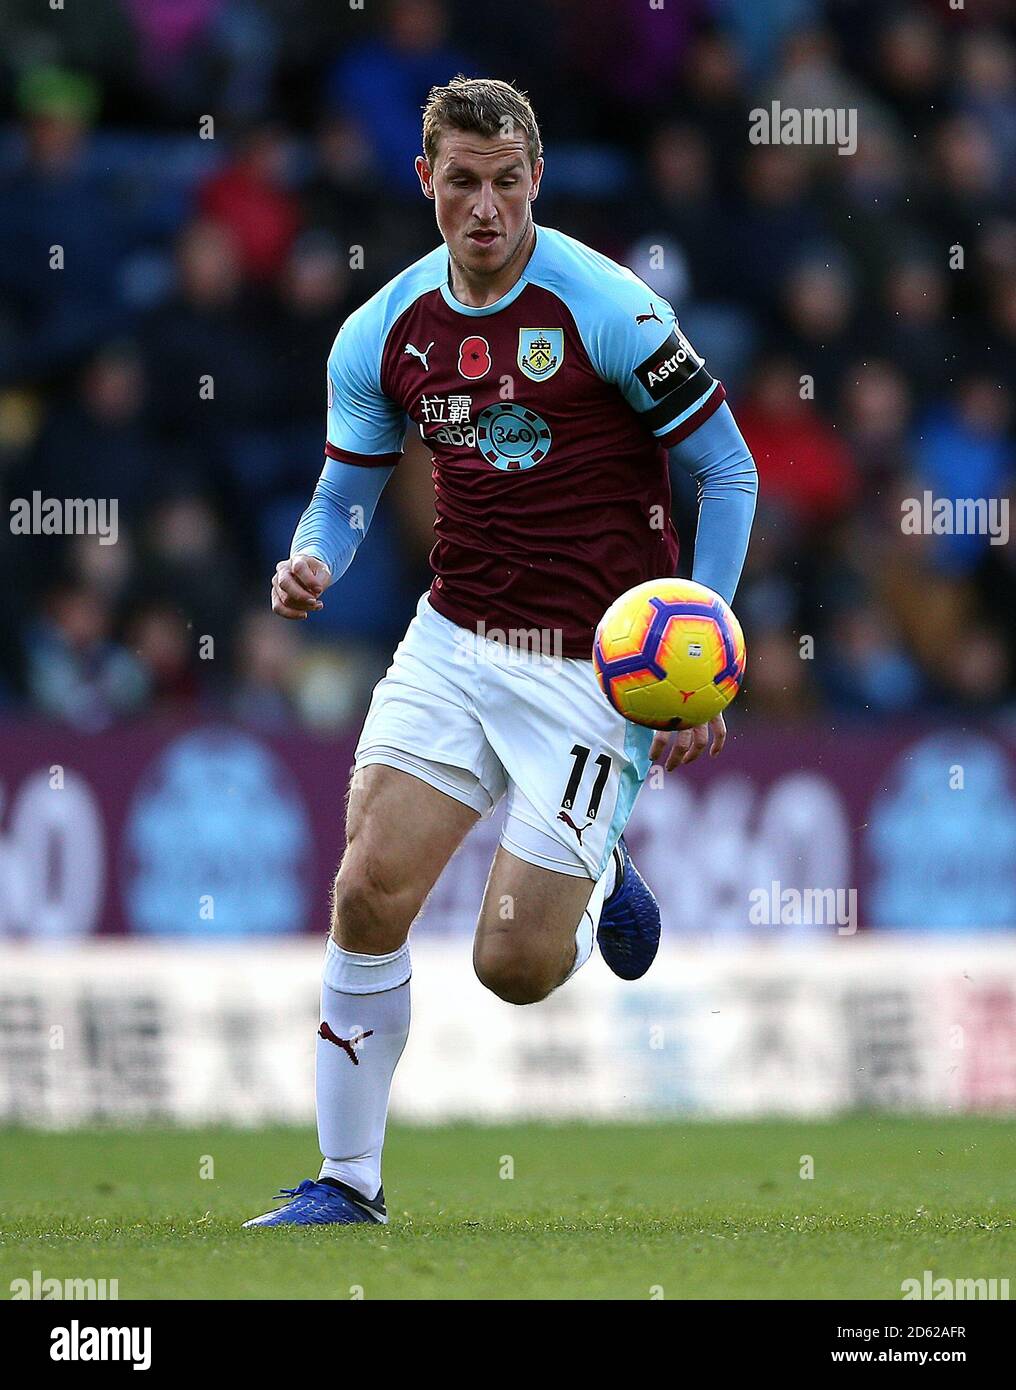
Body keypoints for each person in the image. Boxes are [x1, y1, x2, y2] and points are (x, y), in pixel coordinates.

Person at [245, 77, 757, 1228]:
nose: (486, 207)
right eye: (462, 182)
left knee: (512, 965)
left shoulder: (607, 306)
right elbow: (341, 496)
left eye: (507, 181)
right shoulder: (380, 333)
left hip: (592, 666)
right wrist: (310, 559)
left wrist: (704, 648)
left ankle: (598, 885)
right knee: (367, 888)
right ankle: (346, 1182)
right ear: (424, 181)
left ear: (537, 179)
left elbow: (727, 470)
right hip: (454, 640)